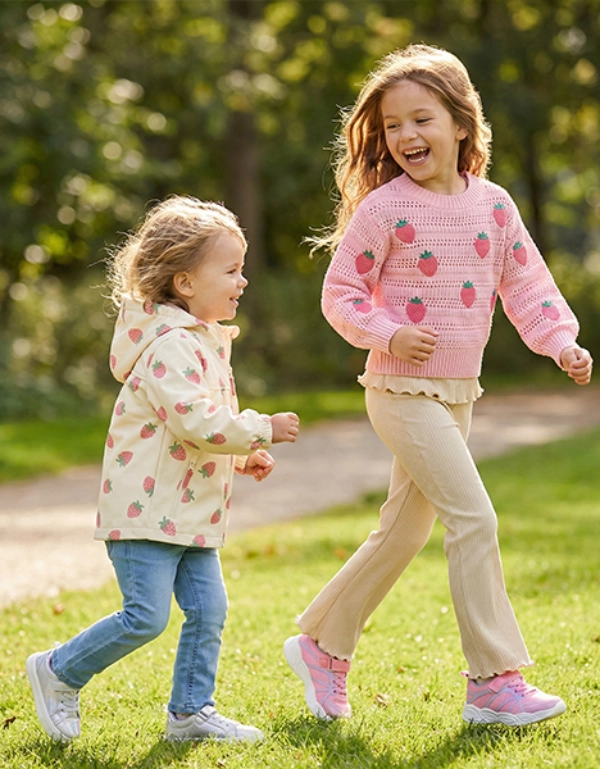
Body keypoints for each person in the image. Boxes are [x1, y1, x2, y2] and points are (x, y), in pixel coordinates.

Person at [283, 44, 593, 727]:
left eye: (420, 119)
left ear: (461, 122)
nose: (405, 136)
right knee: (474, 517)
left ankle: (320, 644)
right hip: (399, 390)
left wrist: (561, 341)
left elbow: (526, 284)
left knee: (400, 533)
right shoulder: (385, 209)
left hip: (458, 391)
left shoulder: (494, 204)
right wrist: (388, 333)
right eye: (392, 125)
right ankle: (492, 680)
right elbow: (340, 293)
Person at [26, 196, 299, 743]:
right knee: (145, 616)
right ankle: (58, 671)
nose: (242, 281)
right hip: (145, 510)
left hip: (188, 511)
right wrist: (260, 427)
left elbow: (197, 424)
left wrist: (240, 455)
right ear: (185, 283)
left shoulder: (203, 342)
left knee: (209, 611)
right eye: (231, 270)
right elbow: (195, 419)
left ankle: (190, 712)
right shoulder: (170, 346)